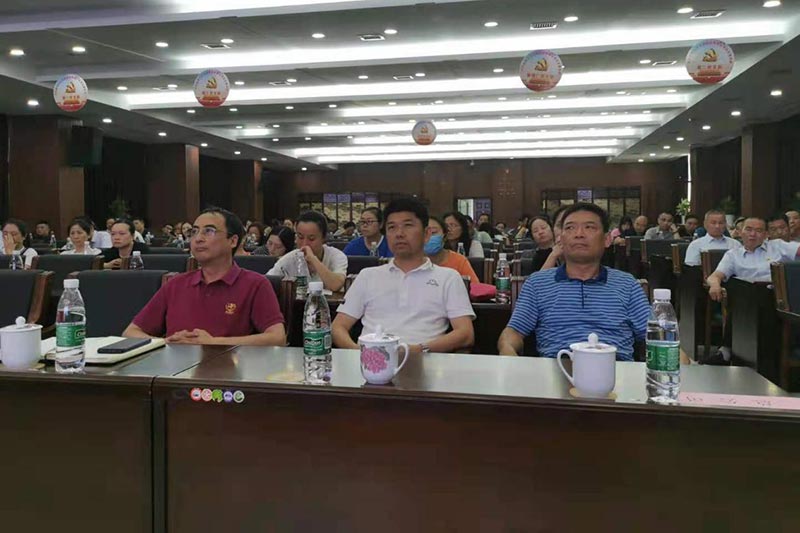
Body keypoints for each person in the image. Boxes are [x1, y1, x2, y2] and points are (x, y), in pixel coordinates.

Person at [497, 203, 650, 361]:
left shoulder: (627, 285)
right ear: (561, 239)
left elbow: (657, 336)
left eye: (589, 227)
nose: (579, 234)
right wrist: (508, 354)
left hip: (616, 369)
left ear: (606, 239)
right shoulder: (537, 284)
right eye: (570, 228)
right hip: (556, 368)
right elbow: (512, 333)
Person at [123, 207, 286, 346]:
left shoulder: (255, 284)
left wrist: (213, 343)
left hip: (228, 369)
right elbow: (131, 332)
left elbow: (277, 338)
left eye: (209, 231)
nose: (198, 238)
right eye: (194, 232)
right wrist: (167, 343)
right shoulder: (176, 284)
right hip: (175, 369)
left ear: (233, 241)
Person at [332, 198, 475, 354]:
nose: (399, 234)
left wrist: (418, 350)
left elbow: (465, 334)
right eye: (392, 227)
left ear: (426, 234)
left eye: (408, 225)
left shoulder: (448, 278)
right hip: (371, 361)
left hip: (425, 359)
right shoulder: (368, 276)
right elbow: (338, 327)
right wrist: (360, 354)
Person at [707, 217, 800, 295]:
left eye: (758, 230)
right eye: (748, 229)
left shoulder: (778, 246)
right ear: (740, 232)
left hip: (778, 295)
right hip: (747, 297)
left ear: (766, 234)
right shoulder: (733, 255)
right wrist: (715, 286)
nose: (752, 234)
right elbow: (715, 276)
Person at [267, 211, 348, 292]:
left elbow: (336, 285)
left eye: (311, 239)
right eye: (300, 237)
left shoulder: (336, 256)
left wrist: (313, 259)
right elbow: (267, 282)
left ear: (323, 238)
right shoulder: (289, 258)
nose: (304, 244)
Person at [425, 216, 480, 283]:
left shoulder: (459, 261)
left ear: (445, 235)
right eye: (424, 233)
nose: (429, 236)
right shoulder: (414, 262)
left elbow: (474, 286)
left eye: (433, 232)